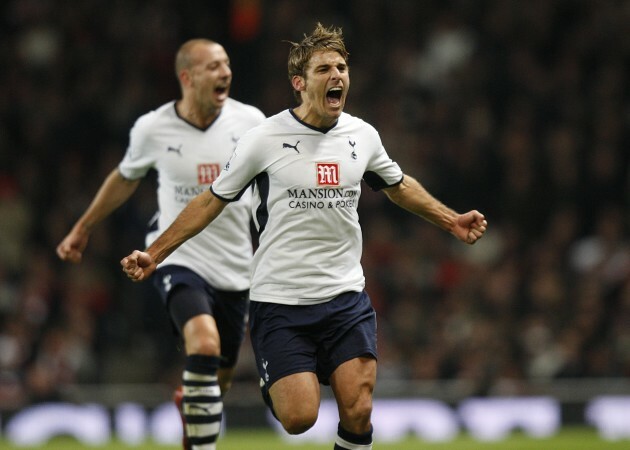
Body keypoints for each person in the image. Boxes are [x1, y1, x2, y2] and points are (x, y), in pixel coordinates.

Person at [120, 23, 487, 450]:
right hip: (281, 301)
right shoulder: (264, 139)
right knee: (298, 419)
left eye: (342, 67)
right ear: (299, 83)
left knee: (359, 407)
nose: (337, 76)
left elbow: (398, 184)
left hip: (344, 296)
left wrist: (450, 220)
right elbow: (210, 201)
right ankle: (274, 382)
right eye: (324, 69)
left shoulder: (362, 136)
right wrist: (155, 253)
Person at [57, 39, 265, 450]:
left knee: (216, 384)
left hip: (237, 267)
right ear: (187, 77)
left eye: (226, 64)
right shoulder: (153, 128)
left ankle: (192, 409)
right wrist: (83, 226)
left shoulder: (251, 122)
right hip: (176, 256)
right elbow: (125, 177)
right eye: (212, 67)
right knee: (203, 343)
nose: (225, 72)